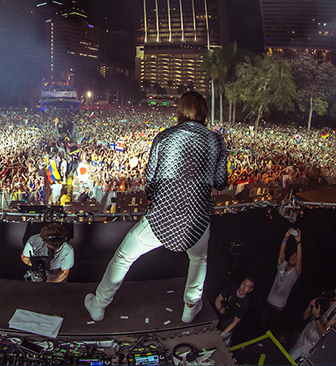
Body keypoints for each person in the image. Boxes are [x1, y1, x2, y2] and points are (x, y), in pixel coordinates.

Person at [84, 91, 228, 322]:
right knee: (199, 259)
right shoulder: (216, 141)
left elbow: (150, 180)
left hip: (163, 216)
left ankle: (99, 306)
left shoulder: (165, 137)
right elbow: (221, 182)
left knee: (123, 257)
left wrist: (159, 200)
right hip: (197, 219)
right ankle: (190, 307)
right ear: (204, 112)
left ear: (179, 111)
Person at [288, 279, 336, 362]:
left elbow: (324, 334)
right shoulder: (326, 299)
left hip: (309, 351)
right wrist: (310, 307)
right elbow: (305, 317)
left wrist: (317, 317)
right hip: (300, 342)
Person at [259, 228, 302, 335]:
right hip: (268, 303)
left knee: (271, 332)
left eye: (295, 256)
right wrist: (285, 238)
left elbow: (299, 260)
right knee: (260, 327)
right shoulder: (282, 264)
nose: (293, 257)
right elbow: (281, 252)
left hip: (278, 308)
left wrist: (298, 242)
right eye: (292, 255)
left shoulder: (295, 272)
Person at [215, 277, 255, 345]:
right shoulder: (231, 289)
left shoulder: (245, 304)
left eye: (247, 287)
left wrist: (222, 335)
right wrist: (220, 309)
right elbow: (218, 299)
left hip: (226, 328)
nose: (243, 287)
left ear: (250, 290)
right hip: (217, 321)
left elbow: (234, 322)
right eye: (243, 284)